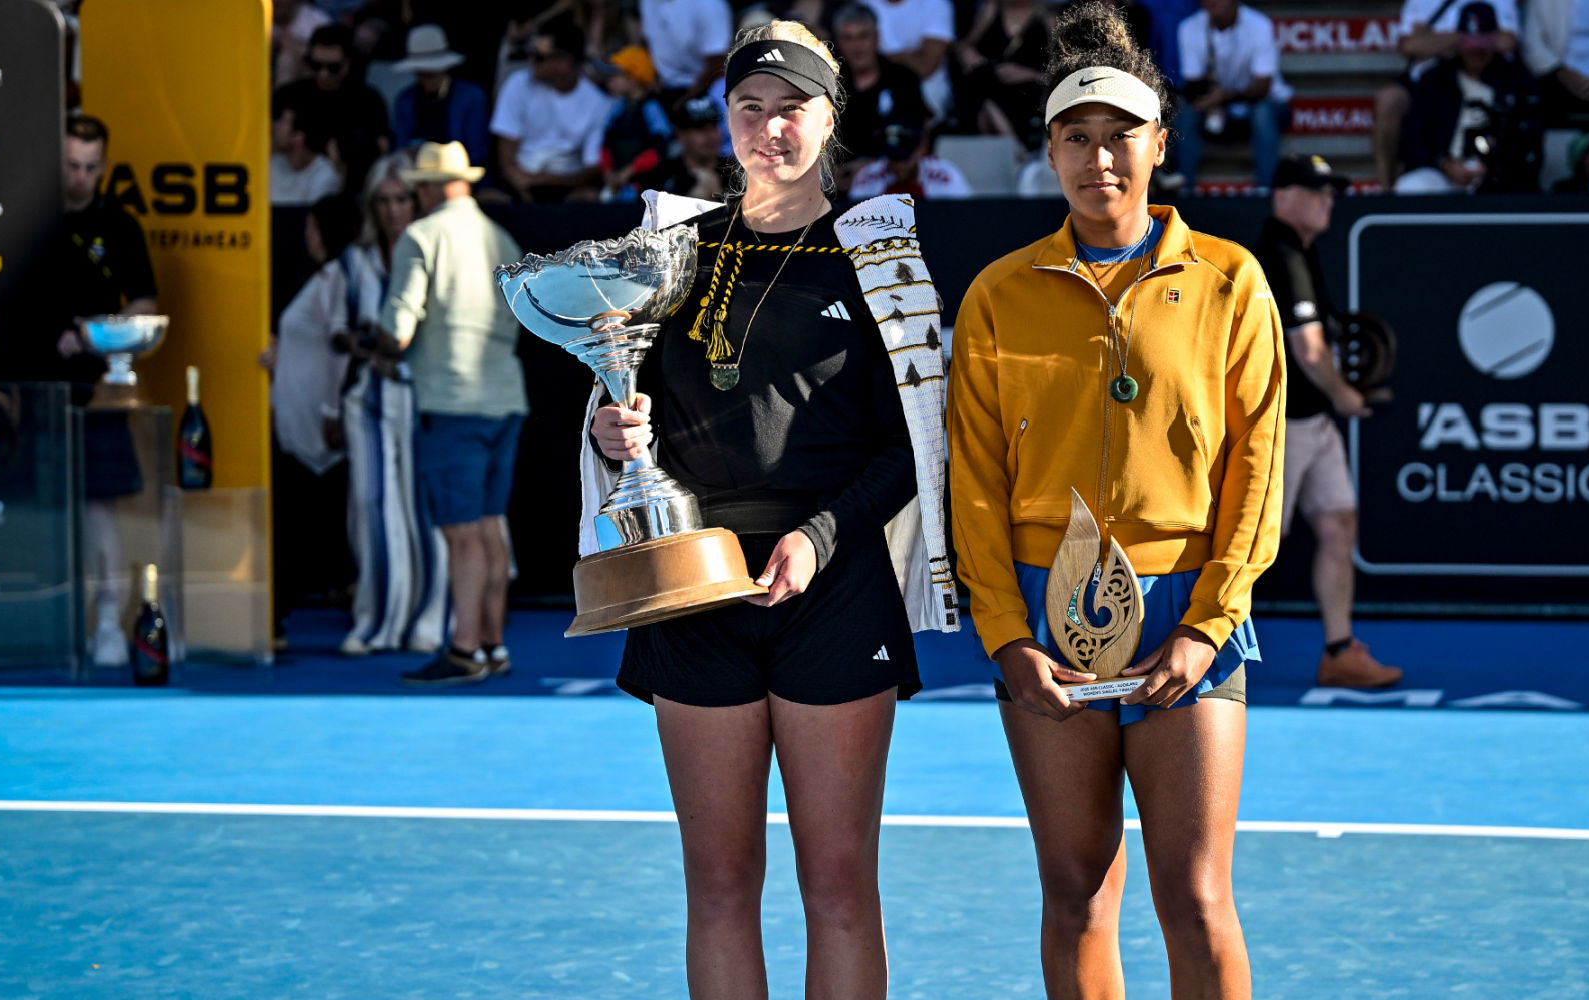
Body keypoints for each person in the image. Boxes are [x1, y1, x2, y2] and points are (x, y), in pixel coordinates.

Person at [587, 20, 954, 998]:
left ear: (829, 120)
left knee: (837, 885)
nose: (769, 129)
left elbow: (912, 445)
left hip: (832, 584)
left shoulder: (876, 258)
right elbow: (627, 413)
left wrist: (816, 536)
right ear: (725, 122)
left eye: (791, 108)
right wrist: (610, 436)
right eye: (749, 108)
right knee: (717, 886)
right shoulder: (671, 254)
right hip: (694, 582)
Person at [947, 5, 1281, 996]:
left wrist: (1209, 624)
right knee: (1076, 893)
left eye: (1120, 136)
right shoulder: (998, 294)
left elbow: (1255, 475)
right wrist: (1008, 635)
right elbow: (974, 484)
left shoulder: (1231, 281)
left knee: (1196, 898)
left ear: (1160, 144)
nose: (1100, 159)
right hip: (1044, 615)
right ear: (1048, 150)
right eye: (1076, 138)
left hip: (1188, 612)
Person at [7, 116, 160, 666]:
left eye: (91, 168)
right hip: (27, 390)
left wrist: (95, 335)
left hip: (94, 394)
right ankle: (38, 618)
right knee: (34, 509)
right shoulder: (21, 218)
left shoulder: (118, 225)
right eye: (72, 166)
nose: (81, 177)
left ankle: (107, 622)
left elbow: (144, 302)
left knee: (99, 508)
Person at [379, 142, 528, 686]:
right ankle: (491, 645)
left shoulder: (421, 236)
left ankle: (466, 647)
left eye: (417, 185)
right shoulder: (502, 238)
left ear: (428, 187)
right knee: (488, 527)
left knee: (462, 534)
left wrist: (368, 346)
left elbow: (397, 329)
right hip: (504, 397)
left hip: (451, 401)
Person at [1254, 156, 1402, 689]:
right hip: (1282, 424)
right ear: (1283, 195)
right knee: (1258, 547)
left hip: (1313, 421)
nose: (1327, 200)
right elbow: (1309, 350)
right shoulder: (1278, 251)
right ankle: (1193, 653)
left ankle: (1339, 651)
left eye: (1331, 192)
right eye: (1316, 191)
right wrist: (1346, 396)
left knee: (1339, 523)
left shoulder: (1304, 251)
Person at [339, 152, 452, 656]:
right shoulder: (353, 262)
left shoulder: (435, 247)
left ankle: (431, 615)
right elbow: (324, 330)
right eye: (382, 201)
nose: (392, 210)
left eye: (401, 198)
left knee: (426, 510)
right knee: (372, 507)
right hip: (369, 399)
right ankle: (376, 618)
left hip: (427, 398)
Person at [261, 195, 361, 635]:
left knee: (305, 521)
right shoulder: (324, 278)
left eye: (313, 226)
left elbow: (340, 351)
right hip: (299, 425)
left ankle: (282, 612)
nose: (307, 236)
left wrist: (329, 410)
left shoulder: (337, 277)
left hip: (317, 429)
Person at [1394, 2, 1543, 193]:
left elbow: (1529, 144)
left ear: (1494, 41)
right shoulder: (1435, 80)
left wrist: (1492, 164)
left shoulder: (1518, 82)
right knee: (1412, 187)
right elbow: (1412, 142)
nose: (1476, 53)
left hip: (1500, 176)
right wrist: (1443, 162)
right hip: (1445, 172)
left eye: (1482, 46)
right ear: (1458, 42)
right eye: (1471, 46)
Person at [1174, 0, 1294, 190]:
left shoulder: (1259, 25)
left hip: (1263, 106)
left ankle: (1266, 190)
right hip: (1216, 110)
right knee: (1185, 111)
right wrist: (1208, 99)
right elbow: (1193, 83)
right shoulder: (1189, 27)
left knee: (1262, 111)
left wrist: (1225, 97)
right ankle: (1183, 188)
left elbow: (1262, 87)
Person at [490, 22, 615, 202]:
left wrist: (544, 182)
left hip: (567, 186)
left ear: (564, 63)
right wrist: (523, 185)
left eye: (538, 56)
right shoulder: (517, 83)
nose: (530, 61)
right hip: (518, 182)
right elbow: (505, 149)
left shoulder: (597, 103)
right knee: (489, 199)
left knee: (588, 199)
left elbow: (592, 167)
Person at [275, 24, 393, 196]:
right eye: (316, 66)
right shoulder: (289, 95)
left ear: (348, 63)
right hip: (293, 184)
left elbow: (382, 150)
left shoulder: (367, 100)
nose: (323, 74)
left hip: (352, 190)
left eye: (333, 68)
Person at [834, 2, 931, 185]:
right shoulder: (826, 83)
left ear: (877, 38)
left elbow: (916, 133)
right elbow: (815, 139)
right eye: (848, 38)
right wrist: (827, 166)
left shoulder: (903, 79)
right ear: (839, 43)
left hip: (890, 177)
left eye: (863, 36)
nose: (857, 46)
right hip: (837, 182)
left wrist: (871, 166)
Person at [391, 24, 492, 167]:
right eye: (421, 72)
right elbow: (400, 149)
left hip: (460, 176)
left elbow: (479, 153)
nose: (427, 77)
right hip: (414, 178)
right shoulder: (405, 101)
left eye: (432, 71)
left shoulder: (471, 97)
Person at [952, 0, 1051, 144]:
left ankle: (1010, 148)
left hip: (1028, 89)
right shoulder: (991, 11)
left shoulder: (1046, 19)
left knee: (985, 102)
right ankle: (1015, 150)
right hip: (989, 79)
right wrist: (969, 54)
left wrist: (1028, 74)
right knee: (980, 91)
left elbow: (1060, 70)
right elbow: (964, 46)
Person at [589, 46, 676, 198]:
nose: (609, 81)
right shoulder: (618, 108)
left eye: (615, 76)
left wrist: (628, 172)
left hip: (647, 187)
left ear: (632, 78)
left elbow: (660, 149)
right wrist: (609, 172)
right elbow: (606, 144)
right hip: (618, 184)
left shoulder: (652, 107)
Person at [637, 0, 733, 107]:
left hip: (707, 88)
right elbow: (648, 42)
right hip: (664, 90)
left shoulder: (709, 4)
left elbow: (718, 63)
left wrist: (686, 100)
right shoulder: (647, 3)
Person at [846, 118, 974, 198]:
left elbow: (965, 217)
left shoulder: (944, 175)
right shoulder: (868, 178)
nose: (898, 165)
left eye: (904, 157)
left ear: (921, 149)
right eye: (893, 158)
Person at [870, 0, 956, 114]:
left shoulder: (936, 4)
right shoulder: (863, 4)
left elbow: (925, 68)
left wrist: (878, 58)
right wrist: (909, 56)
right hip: (872, 86)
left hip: (926, 92)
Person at [631, 96, 723, 199]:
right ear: (681, 136)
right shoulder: (659, 176)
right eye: (700, 129)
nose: (710, 136)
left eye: (713, 128)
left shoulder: (739, 171)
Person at [269, 91, 344, 207]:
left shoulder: (325, 176)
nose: (274, 126)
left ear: (298, 138)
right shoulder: (271, 165)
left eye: (282, 122)